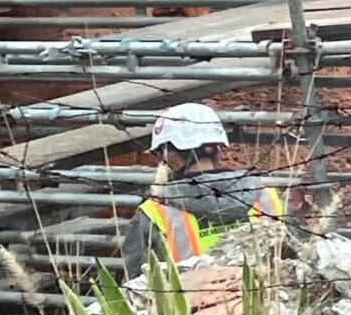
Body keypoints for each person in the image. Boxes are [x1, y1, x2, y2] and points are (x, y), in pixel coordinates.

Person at [123, 102, 289, 277]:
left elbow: (136, 284)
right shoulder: (268, 198)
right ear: (218, 148)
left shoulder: (155, 212)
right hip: (265, 303)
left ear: (169, 155)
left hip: (192, 303)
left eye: (158, 154)